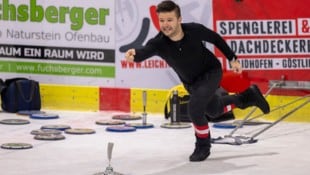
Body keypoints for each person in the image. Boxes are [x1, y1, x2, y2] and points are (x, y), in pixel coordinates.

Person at [125, 0, 270, 162]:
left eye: (170, 20)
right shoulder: (159, 43)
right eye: (162, 20)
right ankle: (247, 97)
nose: (165, 25)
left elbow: (215, 39)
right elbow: (143, 53)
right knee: (214, 110)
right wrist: (134, 55)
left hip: (211, 72)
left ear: (179, 19)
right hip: (191, 83)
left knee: (194, 107)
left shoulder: (194, 30)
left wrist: (232, 58)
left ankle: (203, 145)